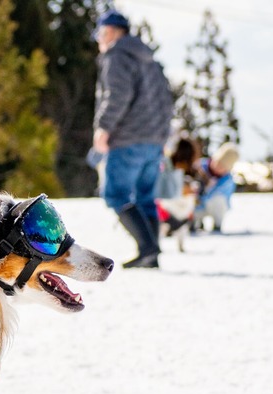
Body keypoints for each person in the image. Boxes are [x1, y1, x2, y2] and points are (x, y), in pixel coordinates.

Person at [93, 9, 174, 269]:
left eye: (100, 33)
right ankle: (151, 253)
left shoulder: (117, 56)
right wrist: (162, 136)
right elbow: (166, 101)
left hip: (127, 139)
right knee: (145, 197)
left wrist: (103, 128)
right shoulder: (150, 60)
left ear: (111, 32)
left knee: (115, 194)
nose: (98, 40)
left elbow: (117, 95)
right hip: (154, 141)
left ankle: (148, 248)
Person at [154, 135, 200, 250]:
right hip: (163, 210)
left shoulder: (182, 171)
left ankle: (179, 243)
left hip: (176, 211)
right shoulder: (165, 167)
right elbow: (161, 195)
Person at [193, 142, 239, 233]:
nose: (218, 167)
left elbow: (220, 196)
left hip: (213, 206)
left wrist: (208, 188)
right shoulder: (200, 165)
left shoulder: (227, 180)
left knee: (219, 199)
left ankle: (217, 224)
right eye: (218, 163)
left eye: (222, 166)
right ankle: (194, 222)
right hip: (195, 206)